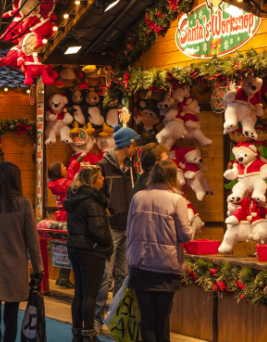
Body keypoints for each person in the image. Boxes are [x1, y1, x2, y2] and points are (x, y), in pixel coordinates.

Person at [0, 162, 44, 342]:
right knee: (11, 317)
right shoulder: (24, 204)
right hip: (16, 269)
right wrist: (38, 268)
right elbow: (32, 242)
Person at [127, 160, 193, 342]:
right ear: (172, 177)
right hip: (166, 266)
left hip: (140, 265)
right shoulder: (177, 200)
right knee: (162, 320)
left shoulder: (138, 197)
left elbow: (129, 232)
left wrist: (128, 263)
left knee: (147, 321)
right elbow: (185, 236)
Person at [94, 125, 140, 331]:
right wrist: (109, 210)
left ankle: (115, 319)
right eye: (134, 143)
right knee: (105, 275)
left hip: (128, 227)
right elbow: (97, 193)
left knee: (123, 274)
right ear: (126, 145)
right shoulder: (102, 166)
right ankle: (96, 318)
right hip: (111, 227)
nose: (136, 147)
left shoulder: (132, 168)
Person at [63, 166, 113, 342]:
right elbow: (97, 229)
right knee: (90, 294)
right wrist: (108, 242)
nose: (103, 180)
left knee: (80, 292)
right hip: (91, 250)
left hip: (75, 248)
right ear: (92, 181)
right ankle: (89, 333)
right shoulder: (93, 201)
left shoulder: (74, 197)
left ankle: (77, 330)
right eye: (100, 178)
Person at [47, 161, 77, 289]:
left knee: (64, 247)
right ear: (59, 172)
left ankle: (62, 277)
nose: (65, 168)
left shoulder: (54, 184)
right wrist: (73, 168)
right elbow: (74, 185)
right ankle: (63, 277)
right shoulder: (64, 183)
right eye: (63, 167)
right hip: (67, 217)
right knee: (69, 248)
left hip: (60, 216)